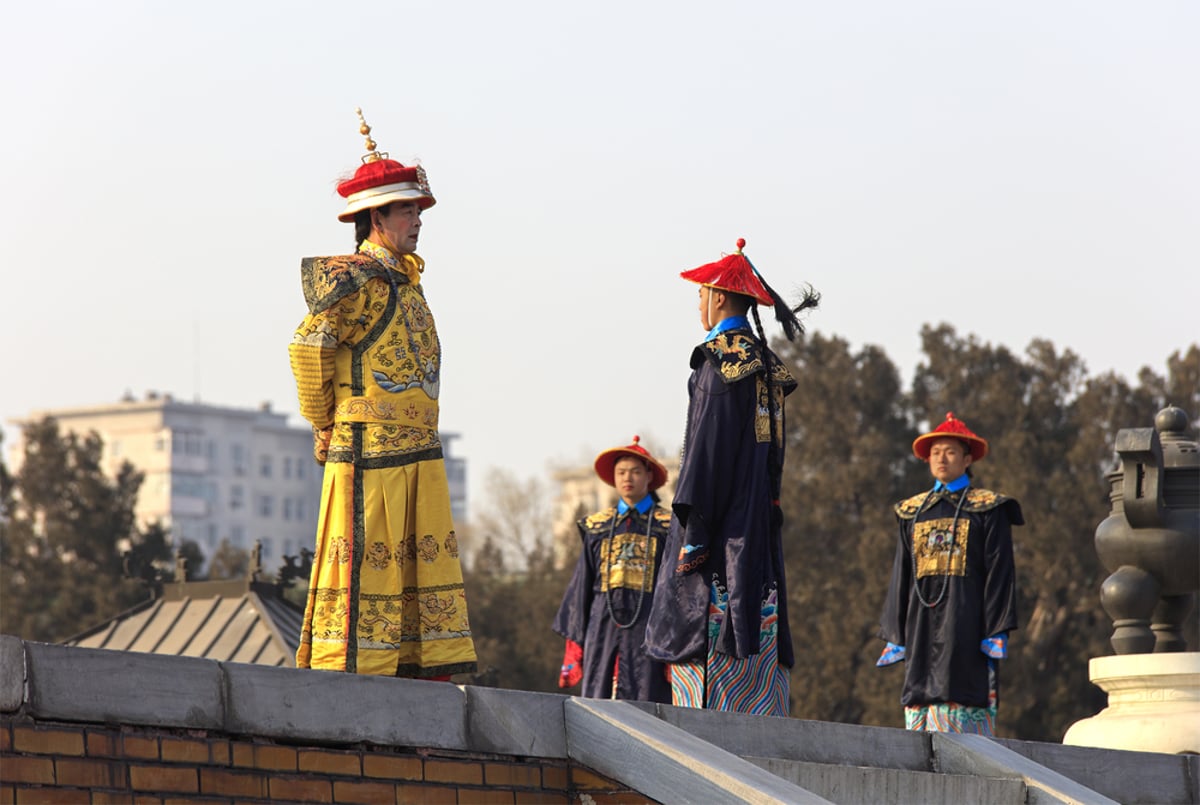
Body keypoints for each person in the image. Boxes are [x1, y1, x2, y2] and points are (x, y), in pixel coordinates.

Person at [288, 109, 477, 679]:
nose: (417, 219)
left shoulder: (408, 283)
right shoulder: (358, 279)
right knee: (364, 578)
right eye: (405, 210)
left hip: (419, 454)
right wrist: (324, 422)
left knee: (420, 583)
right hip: (368, 453)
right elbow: (307, 346)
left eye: (418, 210)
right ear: (375, 216)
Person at [643, 238, 818, 715]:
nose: (698, 303)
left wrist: (694, 535)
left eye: (700, 293)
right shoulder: (766, 367)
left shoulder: (718, 362)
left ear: (719, 296)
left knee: (705, 679)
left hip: (720, 538)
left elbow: (706, 455)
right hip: (757, 533)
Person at [877, 412, 1021, 734]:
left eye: (951, 451)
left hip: (967, 618)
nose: (942, 458)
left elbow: (1000, 572)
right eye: (936, 452)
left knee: (963, 681)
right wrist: (896, 632)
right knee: (919, 686)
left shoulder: (987, 508)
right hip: (920, 622)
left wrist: (995, 628)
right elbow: (901, 571)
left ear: (968, 458)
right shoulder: (912, 511)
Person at [553, 436, 673, 703]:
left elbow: (675, 586)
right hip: (603, 624)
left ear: (649, 476)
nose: (627, 478)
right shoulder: (596, 527)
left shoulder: (669, 527)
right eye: (621, 472)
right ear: (613, 478)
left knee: (650, 698)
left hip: (650, 623)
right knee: (600, 696)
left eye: (635, 472)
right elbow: (582, 585)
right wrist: (575, 640)